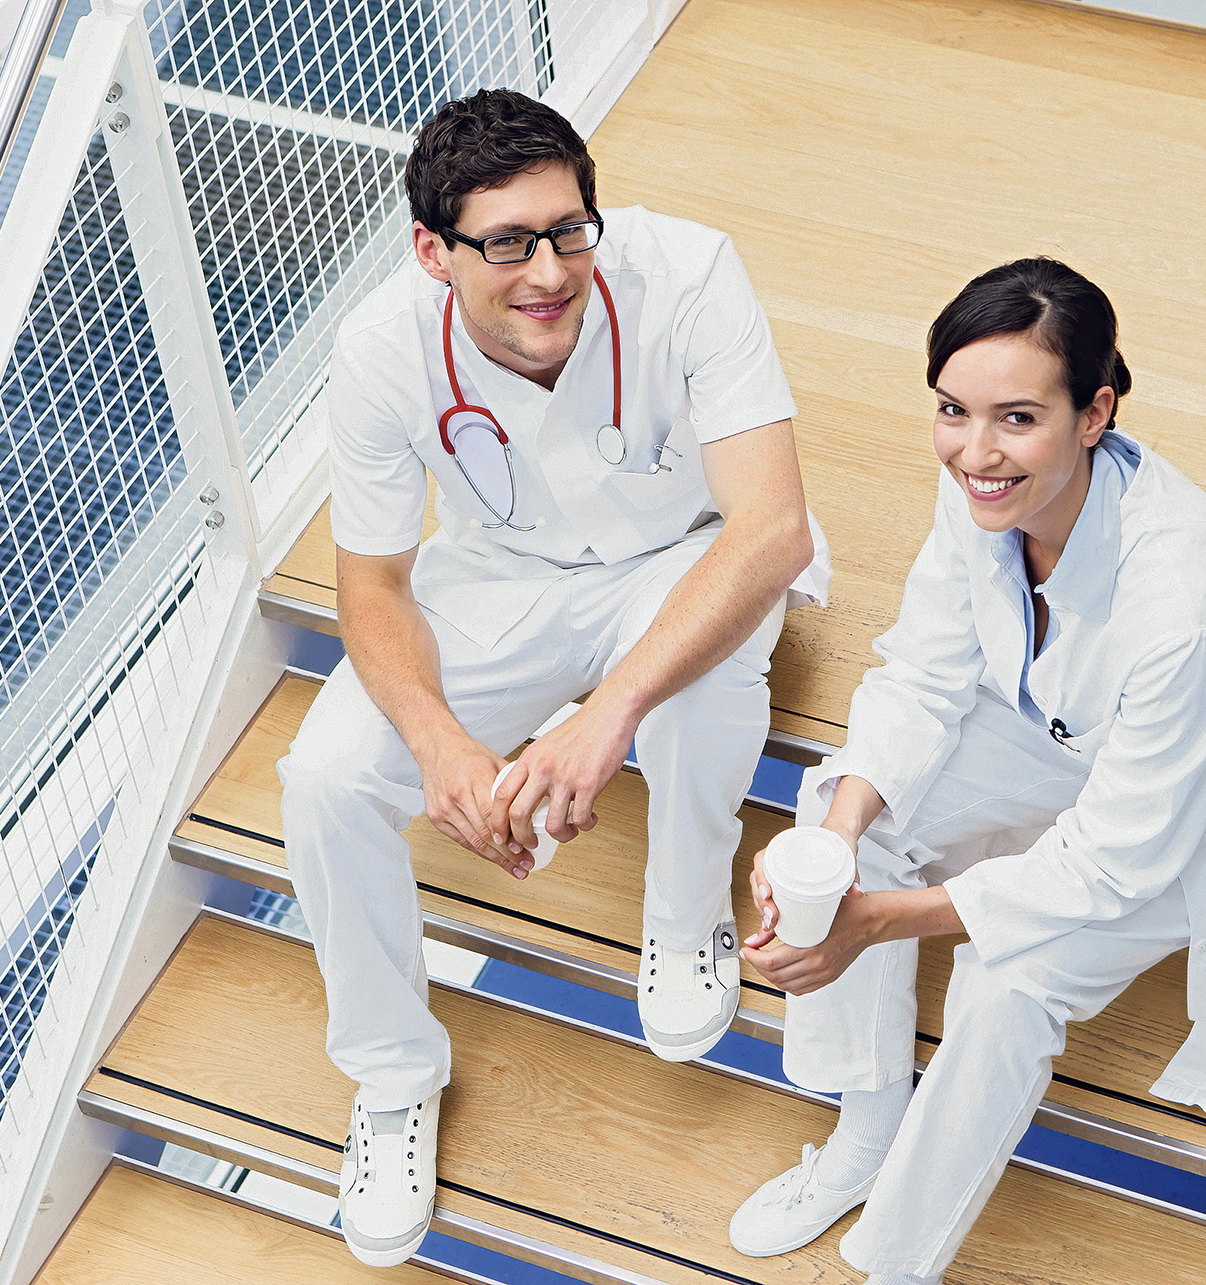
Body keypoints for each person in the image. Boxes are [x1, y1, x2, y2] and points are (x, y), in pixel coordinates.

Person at [727, 259, 1206, 1283]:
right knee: (835, 802)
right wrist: (834, 846)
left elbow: (1114, 859)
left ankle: (894, 1259)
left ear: (1094, 412)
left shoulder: (1189, 607)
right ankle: (867, 1121)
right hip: (1066, 733)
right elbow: (925, 676)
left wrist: (876, 920)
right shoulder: (987, 492)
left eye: (1016, 418)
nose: (975, 452)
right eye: (952, 409)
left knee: (1006, 975)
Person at [278, 89, 826, 1266]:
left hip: (688, 550)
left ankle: (684, 918)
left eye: (570, 229)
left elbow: (771, 530)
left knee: (698, 676)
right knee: (324, 776)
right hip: (503, 576)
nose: (550, 271)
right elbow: (370, 585)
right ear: (433, 251)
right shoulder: (379, 351)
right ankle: (390, 1077)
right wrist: (438, 745)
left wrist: (602, 718)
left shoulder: (688, 274)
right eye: (507, 243)